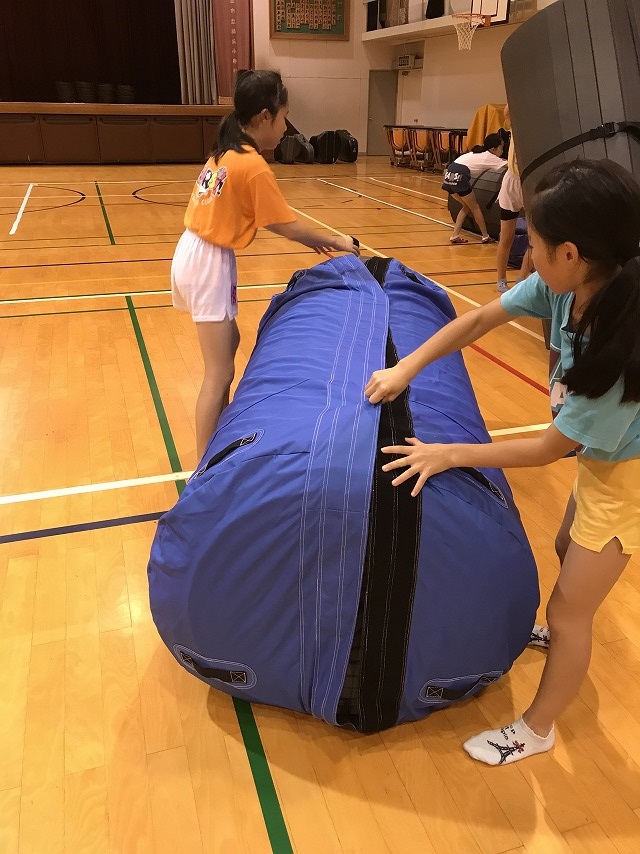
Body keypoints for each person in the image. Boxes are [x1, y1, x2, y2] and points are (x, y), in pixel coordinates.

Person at [365, 159, 640, 766]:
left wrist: (447, 454)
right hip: (605, 462)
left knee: (569, 612)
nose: (526, 254)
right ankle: (565, 625)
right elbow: (479, 319)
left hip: (627, 482)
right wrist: (406, 367)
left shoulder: (619, 350)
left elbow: (547, 449)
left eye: (533, 244)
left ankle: (537, 729)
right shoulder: (564, 288)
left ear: (570, 254)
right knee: (567, 548)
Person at [172, 69, 359, 461]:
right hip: (208, 261)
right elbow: (286, 225)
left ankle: (216, 445)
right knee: (219, 373)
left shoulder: (226, 150)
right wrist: (338, 241)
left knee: (230, 344)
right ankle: (203, 471)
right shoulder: (251, 164)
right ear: (263, 116)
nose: (286, 128)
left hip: (194, 251)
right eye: (283, 117)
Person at [441, 132, 505, 245]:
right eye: (501, 148)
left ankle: (455, 235)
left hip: (448, 175)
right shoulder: (490, 157)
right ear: (493, 149)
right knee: (475, 207)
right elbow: (511, 166)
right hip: (459, 176)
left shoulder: (476, 153)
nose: (502, 151)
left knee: (467, 206)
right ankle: (485, 236)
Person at [496, 105, 525, 292]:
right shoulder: (515, 123)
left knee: (536, 240)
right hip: (512, 182)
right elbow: (507, 110)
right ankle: (501, 279)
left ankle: (522, 278)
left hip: (530, 182)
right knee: (506, 237)